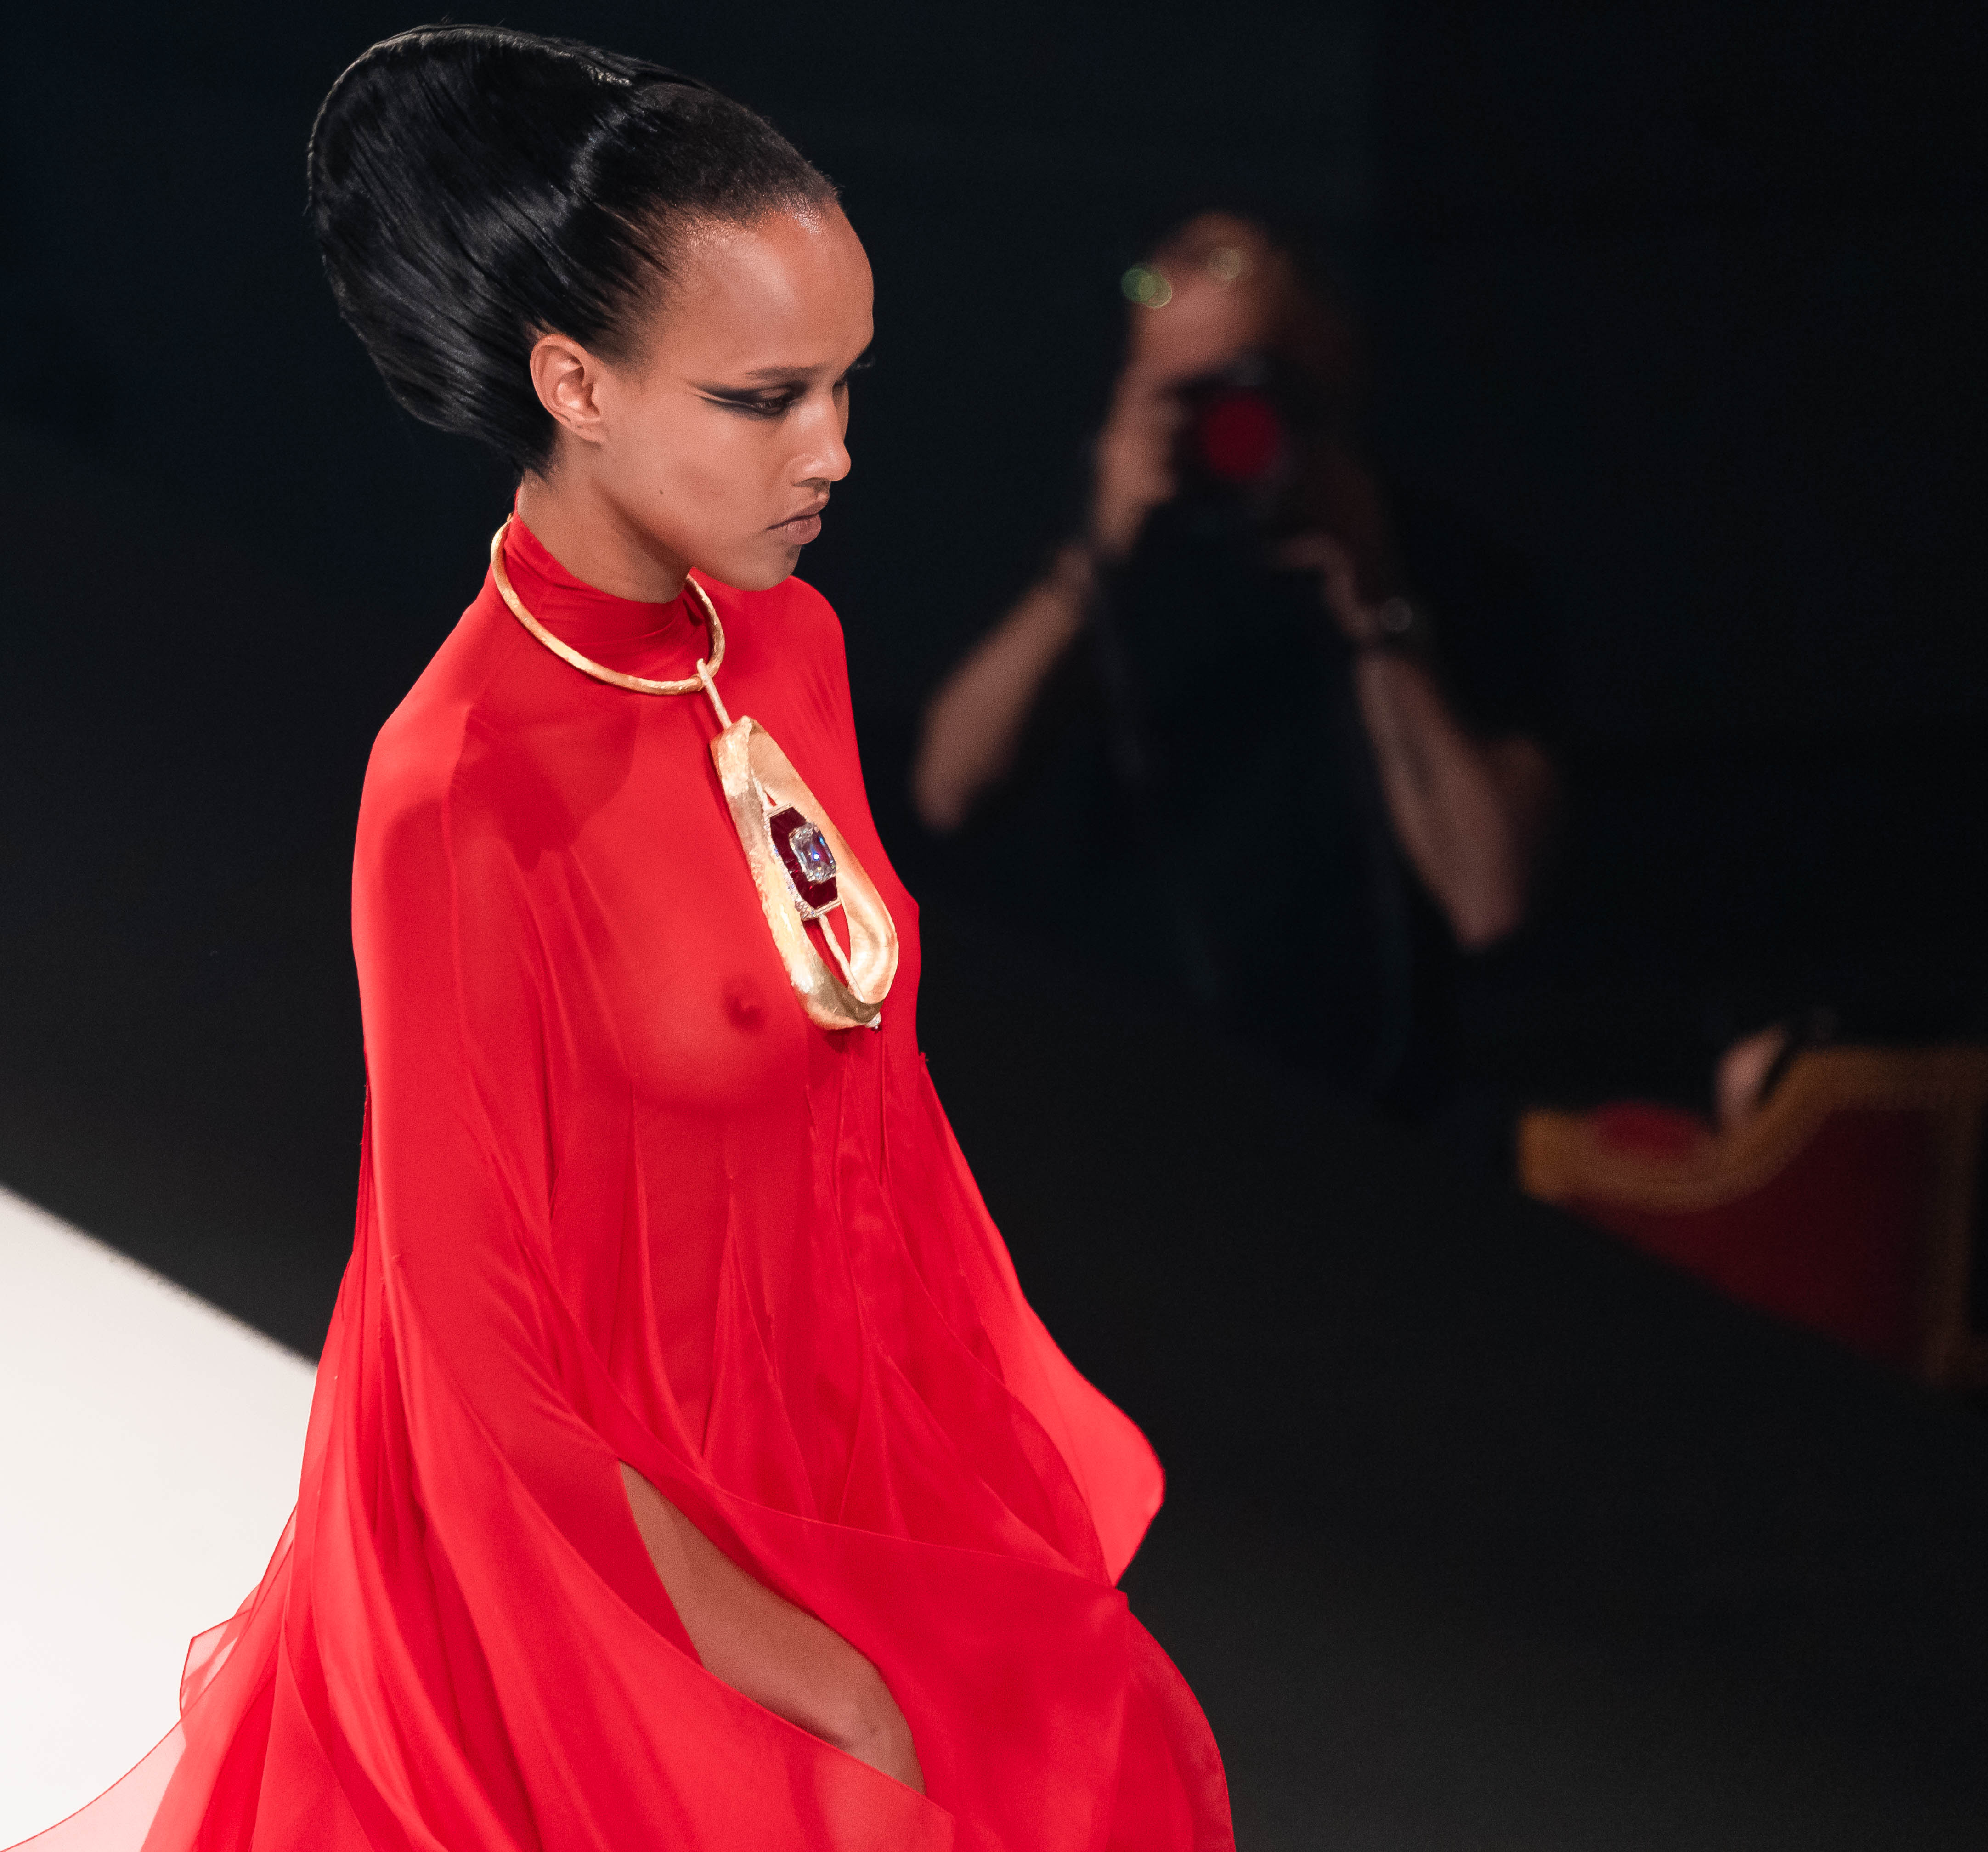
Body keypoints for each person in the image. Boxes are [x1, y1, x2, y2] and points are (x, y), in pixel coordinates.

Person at [17, 28, 1230, 1850]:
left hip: (849, 1474)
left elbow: (871, 1118)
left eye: (847, 385)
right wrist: (786, 1661)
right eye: (764, 400)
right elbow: (472, 1350)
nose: (833, 451)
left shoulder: (790, 645)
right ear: (574, 383)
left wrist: (974, 1479)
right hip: (582, 1538)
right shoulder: (460, 788)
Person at [914, 213, 1560, 1108]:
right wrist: (1091, 561)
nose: (1228, 428)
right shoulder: (1086, 566)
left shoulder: (1448, 570)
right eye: (1184, 397)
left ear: (1334, 373)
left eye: (1255, 388)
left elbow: (1489, 899)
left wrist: (1379, 611)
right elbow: (946, 791)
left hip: (1371, 1125)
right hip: (1119, 1112)